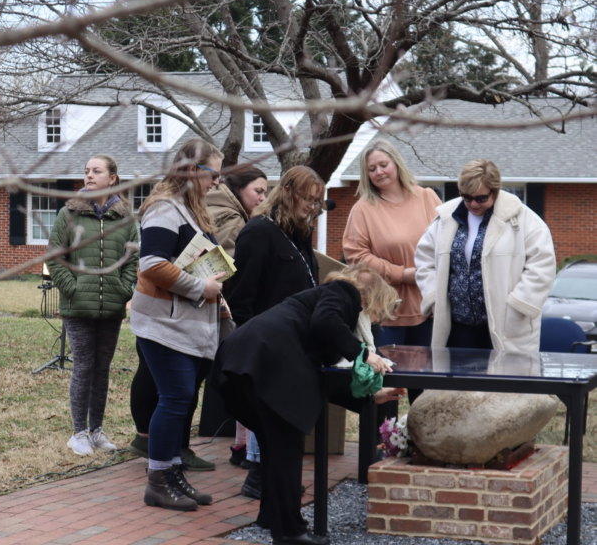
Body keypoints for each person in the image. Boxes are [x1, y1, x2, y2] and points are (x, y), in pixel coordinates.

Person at [213, 266, 405, 545]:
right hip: (265, 361)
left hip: (248, 361)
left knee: (274, 447)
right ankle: (290, 531)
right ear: (372, 297)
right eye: (379, 312)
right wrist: (362, 353)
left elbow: (322, 375)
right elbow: (325, 322)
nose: (376, 320)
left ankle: (271, 517)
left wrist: (368, 397)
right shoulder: (344, 292)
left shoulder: (327, 307)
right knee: (287, 449)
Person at [130, 138, 225, 511]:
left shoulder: (189, 210)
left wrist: (219, 297)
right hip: (162, 324)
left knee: (180, 399)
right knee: (174, 399)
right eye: (213, 174)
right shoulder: (165, 210)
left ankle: (172, 476)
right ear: (191, 170)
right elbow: (152, 264)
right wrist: (203, 287)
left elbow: (200, 264)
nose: (216, 182)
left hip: (187, 323)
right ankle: (157, 481)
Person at [226, 165, 325, 498]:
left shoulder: (299, 233)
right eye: (308, 199)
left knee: (286, 416)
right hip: (268, 340)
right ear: (288, 193)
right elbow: (241, 295)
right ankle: (259, 476)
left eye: (317, 202)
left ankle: (272, 477)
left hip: (297, 341)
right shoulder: (258, 232)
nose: (312, 207)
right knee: (271, 412)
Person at [47, 155, 139, 456]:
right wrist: (72, 289)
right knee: (84, 367)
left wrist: (124, 290)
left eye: (96, 171)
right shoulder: (69, 213)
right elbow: (54, 256)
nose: (89, 175)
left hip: (111, 307)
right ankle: (79, 433)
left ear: (112, 178)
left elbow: (132, 259)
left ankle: (97, 429)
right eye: (86, 170)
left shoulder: (125, 218)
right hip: (78, 307)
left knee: (102, 368)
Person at [415, 159, 557, 352]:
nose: (473, 204)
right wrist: (433, 299)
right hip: (456, 329)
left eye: (481, 198)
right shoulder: (446, 218)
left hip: (506, 327)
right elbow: (424, 260)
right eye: (467, 197)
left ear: (495, 191)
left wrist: (518, 307)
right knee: (457, 382)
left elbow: (543, 266)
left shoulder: (525, 220)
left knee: (504, 382)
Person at [343, 139, 441, 347]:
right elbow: (357, 258)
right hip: (386, 312)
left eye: (383, 165)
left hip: (431, 307)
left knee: (429, 376)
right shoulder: (363, 209)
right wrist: (401, 274)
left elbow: (449, 243)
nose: (379, 172)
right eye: (372, 169)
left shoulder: (426, 198)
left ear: (396, 164)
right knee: (391, 378)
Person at [205, 165, 268, 466]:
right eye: (258, 191)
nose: (261, 198)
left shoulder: (215, 206)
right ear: (238, 188)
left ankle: (241, 446)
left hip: (209, 305)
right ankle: (245, 450)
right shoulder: (232, 218)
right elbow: (234, 267)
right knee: (245, 379)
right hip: (223, 307)